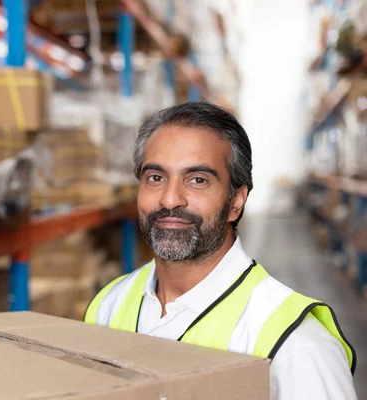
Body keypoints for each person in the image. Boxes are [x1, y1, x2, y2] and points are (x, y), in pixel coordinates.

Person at [84, 102, 357, 399]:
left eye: (197, 180)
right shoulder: (108, 305)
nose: (170, 199)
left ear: (236, 202)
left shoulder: (296, 345)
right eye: (156, 178)